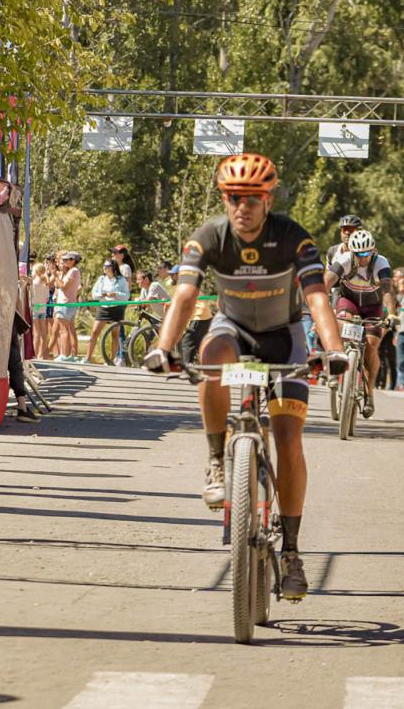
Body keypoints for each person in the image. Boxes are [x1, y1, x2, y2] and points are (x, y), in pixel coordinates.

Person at [144, 152, 346, 602]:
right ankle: (218, 458)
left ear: (268, 200)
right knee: (210, 356)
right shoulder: (209, 238)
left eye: (253, 199)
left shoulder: (292, 237)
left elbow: (316, 297)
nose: (243, 207)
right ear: (224, 199)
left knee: (289, 439)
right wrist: (162, 347)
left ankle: (291, 552)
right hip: (233, 332)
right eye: (234, 198)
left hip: (284, 339)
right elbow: (184, 295)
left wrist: (333, 350)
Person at [324, 228, 397, 417]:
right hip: (349, 302)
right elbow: (328, 281)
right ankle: (336, 367)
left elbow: (387, 289)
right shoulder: (345, 259)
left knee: (371, 347)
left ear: (373, 250)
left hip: (373, 306)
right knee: (341, 325)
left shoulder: (381, 263)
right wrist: (319, 303)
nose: (362, 258)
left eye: (366, 254)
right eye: (358, 254)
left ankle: (368, 393)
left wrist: (392, 313)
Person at [85, 260, 130, 364]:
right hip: (103, 307)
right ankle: (87, 358)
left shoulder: (121, 279)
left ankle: (111, 360)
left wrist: (116, 294)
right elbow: (94, 294)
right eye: (104, 266)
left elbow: (126, 296)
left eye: (107, 266)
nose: (104, 268)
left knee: (115, 334)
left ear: (113, 267)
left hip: (117, 308)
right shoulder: (101, 279)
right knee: (94, 332)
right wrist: (102, 295)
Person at [9, 277, 40, 422]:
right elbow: (16, 299)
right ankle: (22, 406)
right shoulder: (7, 271)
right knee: (15, 365)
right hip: (6, 323)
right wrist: (22, 325)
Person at [169, 265, 214, 364]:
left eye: (173, 274)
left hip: (199, 316)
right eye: (171, 274)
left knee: (188, 341)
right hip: (203, 316)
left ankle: (188, 367)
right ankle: (208, 364)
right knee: (198, 344)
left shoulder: (185, 284)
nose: (171, 276)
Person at [52, 252, 82, 361]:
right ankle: (70, 356)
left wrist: (55, 276)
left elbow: (63, 287)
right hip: (68, 303)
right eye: (64, 260)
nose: (64, 262)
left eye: (67, 260)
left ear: (73, 261)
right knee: (68, 329)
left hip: (65, 303)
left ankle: (64, 355)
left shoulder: (73, 271)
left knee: (63, 330)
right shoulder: (72, 271)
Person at [31, 261, 54, 360]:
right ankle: (41, 354)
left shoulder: (34, 284)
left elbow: (31, 297)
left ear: (36, 272)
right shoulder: (45, 283)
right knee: (43, 333)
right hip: (43, 309)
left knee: (36, 333)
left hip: (35, 308)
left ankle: (35, 354)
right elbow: (47, 298)